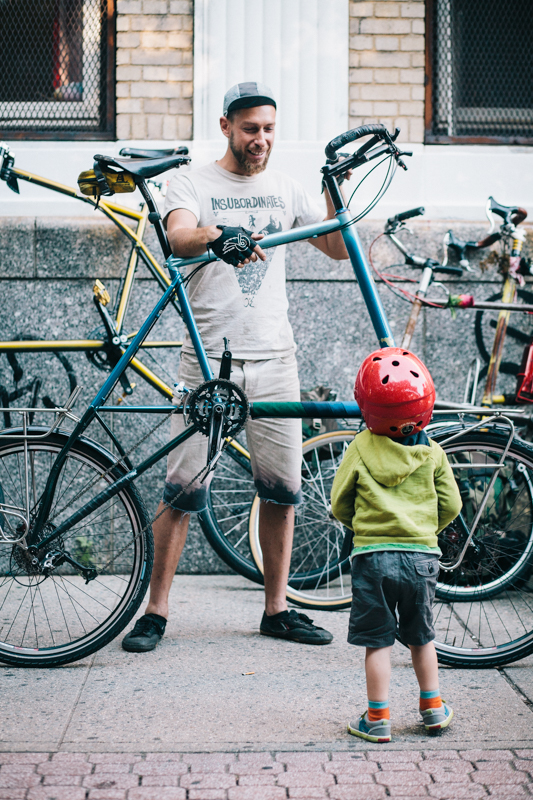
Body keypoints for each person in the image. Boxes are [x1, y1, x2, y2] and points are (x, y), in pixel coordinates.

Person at [122, 81, 351, 652]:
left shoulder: (284, 186)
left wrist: (334, 194)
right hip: (208, 362)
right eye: (251, 129)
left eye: (270, 129)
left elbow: (337, 248)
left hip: (276, 358)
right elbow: (176, 238)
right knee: (180, 491)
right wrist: (217, 236)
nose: (261, 141)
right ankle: (155, 611)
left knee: (281, 491)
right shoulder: (192, 181)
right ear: (226, 126)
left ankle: (277, 610)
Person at [330, 347, 462, 742]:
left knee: (378, 642)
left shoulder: (359, 448)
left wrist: (362, 526)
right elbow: (451, 504)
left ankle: (378, 718)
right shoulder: (434, 453)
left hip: (373, 558)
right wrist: (425, 529)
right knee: (421, 638)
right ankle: (433, 709)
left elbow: (339, 503)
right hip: (422, 558)